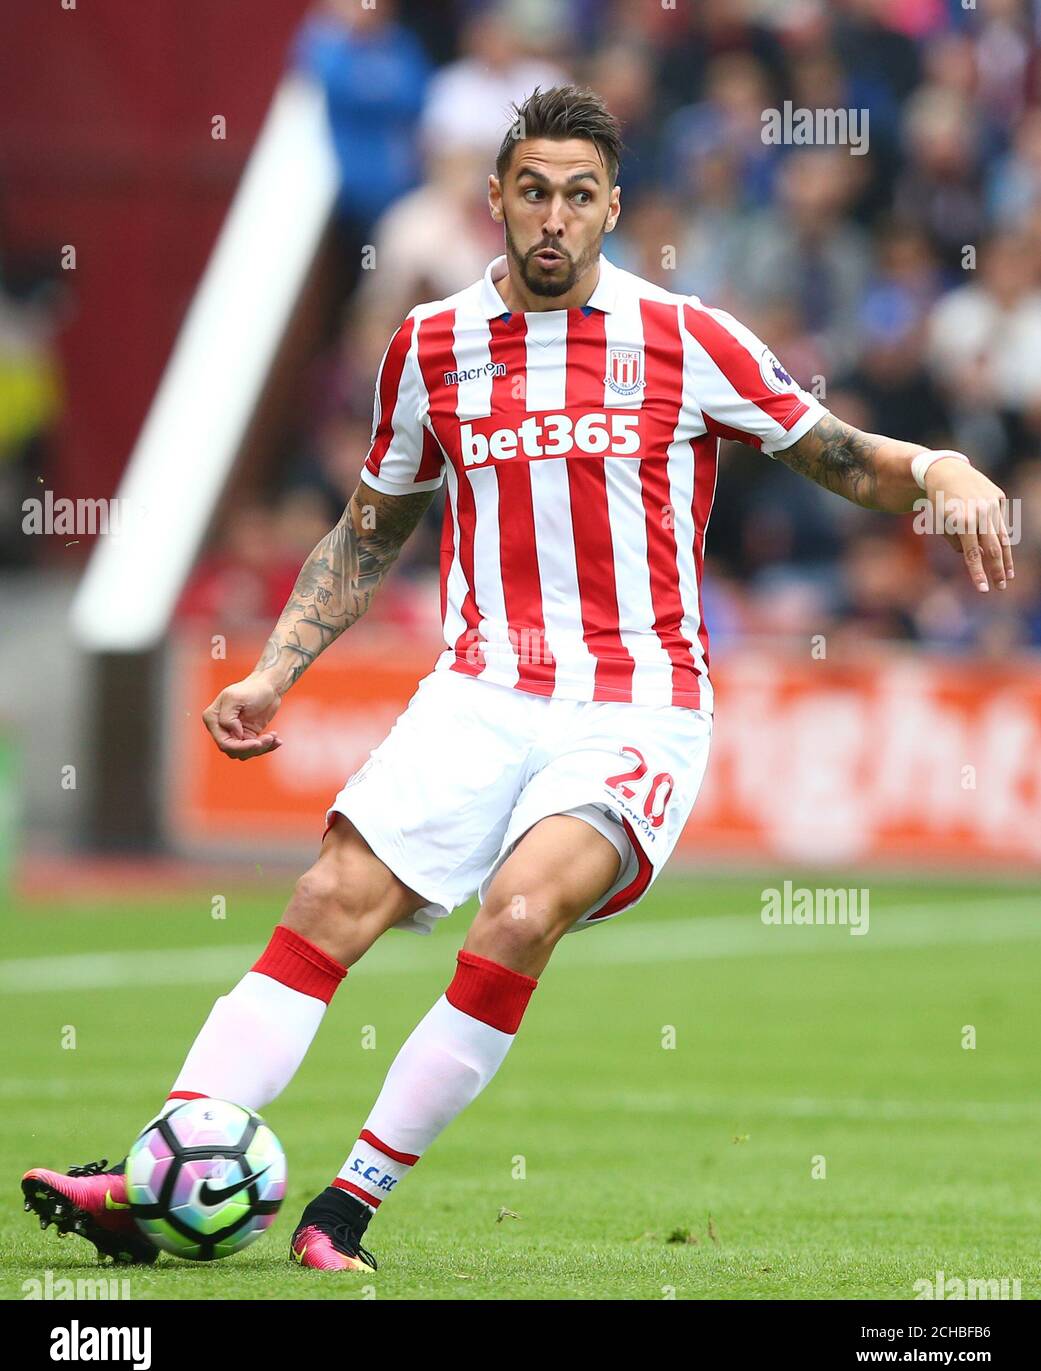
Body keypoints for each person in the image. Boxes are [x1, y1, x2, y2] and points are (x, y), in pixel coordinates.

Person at [22, 84, 1013, 1274]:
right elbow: (370, 527)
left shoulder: (687, 339)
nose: (554, 217)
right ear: (495, 197)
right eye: (532, 190)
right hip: (479, 689)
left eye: (579, 196)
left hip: (635, 700)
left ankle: (347, 1207)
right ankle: (157, 1173)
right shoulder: (431, 346)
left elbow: (842, 457)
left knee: (525, 909)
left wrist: (945, 464)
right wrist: (276, 670)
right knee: (330, 900)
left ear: (613, 209)